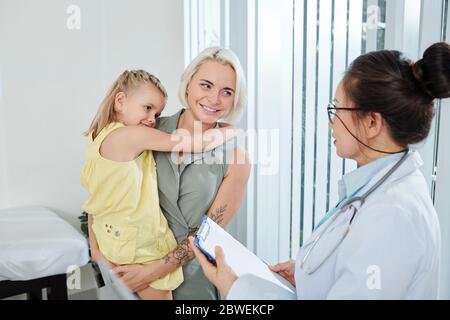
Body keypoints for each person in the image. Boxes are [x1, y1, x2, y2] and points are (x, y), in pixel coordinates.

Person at [190, 42, 450, 299]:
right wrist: (310, 277)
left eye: (337, 108)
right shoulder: (378, 190)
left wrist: (236, 287)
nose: (331, 122)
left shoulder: (393, 216)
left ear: (372, 123)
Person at [81, 69, 235, 299]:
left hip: (111, 239)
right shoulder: (132, 136)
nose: (153, 119)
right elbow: (196, 144)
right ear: (121, 101)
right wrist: (230, 129)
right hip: (136, 245)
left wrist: (95, 248)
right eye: (147, 108)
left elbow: (96, 198)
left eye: (157, 112)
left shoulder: (98, 136)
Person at [111, 48, 251, 300]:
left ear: (234, 99)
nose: (214, 99)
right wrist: (100, 255)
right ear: (188, 86)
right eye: (206, 85)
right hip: (129, 267)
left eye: (226, 92)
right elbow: (105, 183)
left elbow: (208, 233)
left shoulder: (237, 159)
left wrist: (152, 272)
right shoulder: (148, 128)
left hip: (193, 278)